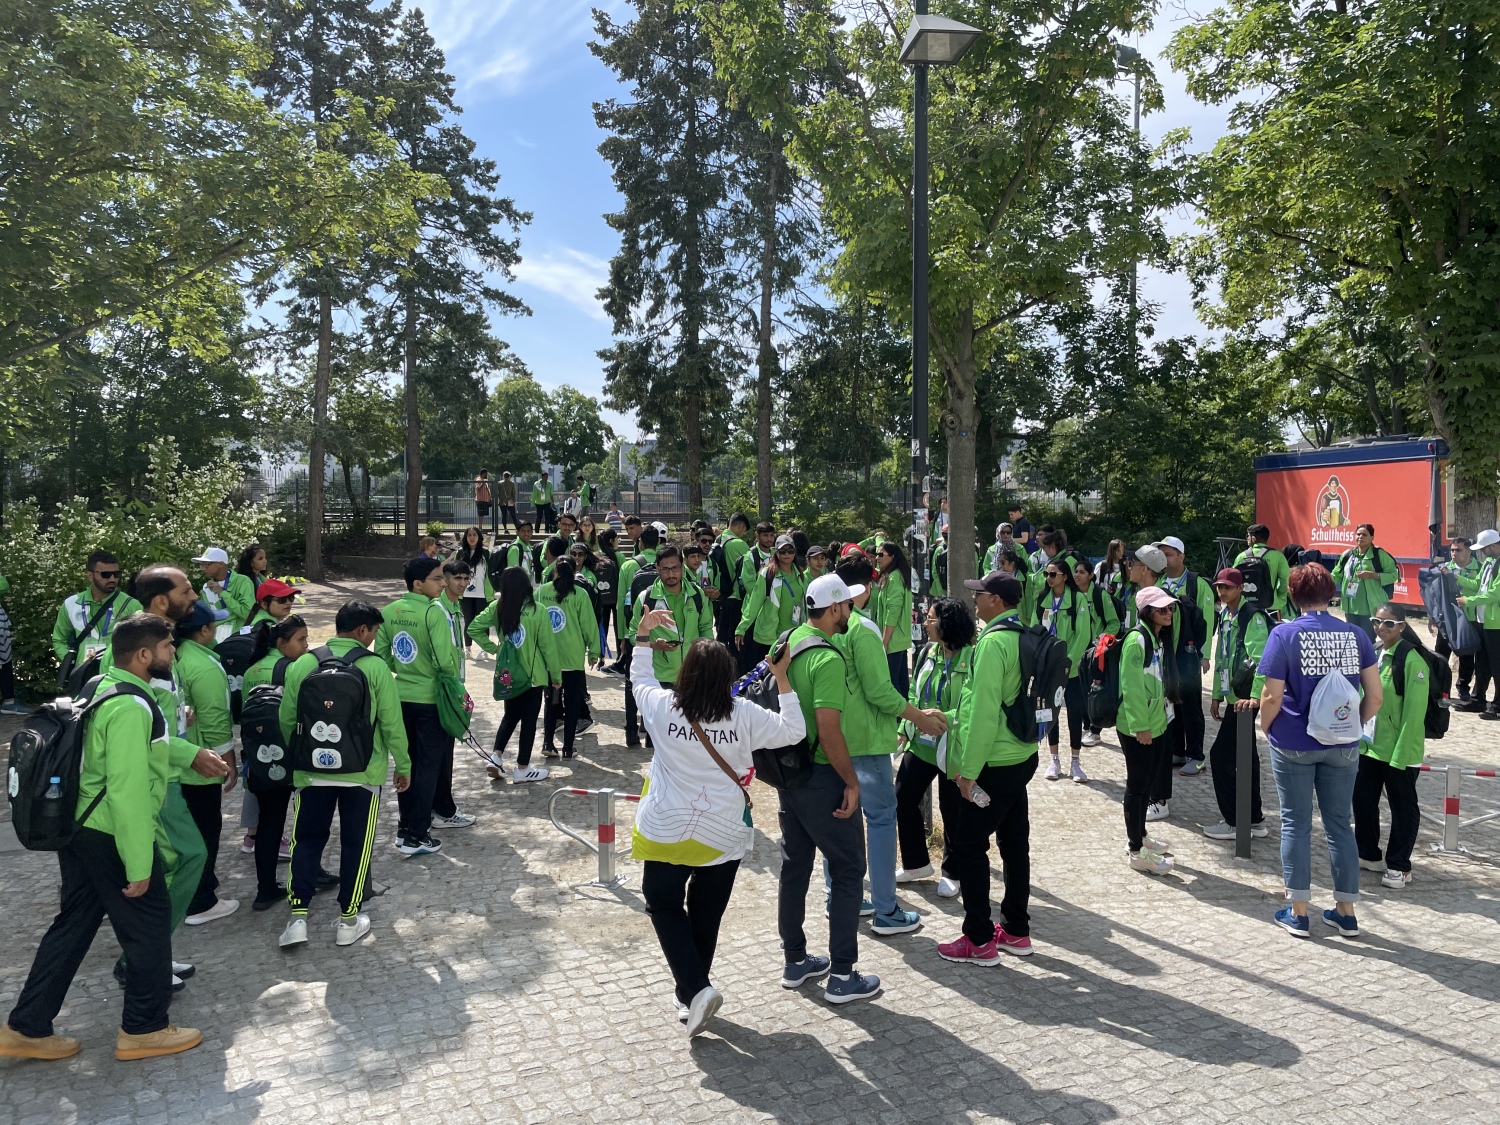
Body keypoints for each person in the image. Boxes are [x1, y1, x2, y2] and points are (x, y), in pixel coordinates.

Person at [0, 613, 203, 1063]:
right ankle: (144, 1029)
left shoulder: (101, 686)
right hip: (113, 831)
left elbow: (140, 754)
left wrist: (192, 756)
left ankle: (27, 1026)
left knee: (73, 924)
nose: (174, 654)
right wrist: (138, 866)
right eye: (169, 647)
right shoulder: (133, 707)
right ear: (145, 654)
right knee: (149, 925)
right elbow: (128, 788)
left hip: (80, 827)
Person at [630, 612, 807, 1036]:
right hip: (722, 832)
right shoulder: (744, 713)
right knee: (705, 914)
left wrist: (641, 633)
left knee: (662, 903)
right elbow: (794, 730)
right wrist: (781, 678)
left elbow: (639, 679)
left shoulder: (662, 708)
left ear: (686, 673)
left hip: (667, 828)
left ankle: (693, 989)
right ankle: (691, 993)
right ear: (728, 674)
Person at [278, 601, 412, 949]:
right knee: (356, 845)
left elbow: (286, 717)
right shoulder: (375, 668)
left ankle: (297, 919)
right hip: (362, 773)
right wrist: (404, 764)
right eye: (374, 632)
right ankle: (348, 921)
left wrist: (300, 760)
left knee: (305, 841)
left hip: (311, 772)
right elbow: (392, 723)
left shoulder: (303, 664)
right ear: (363, 630)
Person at [1258, 563, 1381, 939]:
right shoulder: (1355, 634)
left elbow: (1271, 695)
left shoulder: (1284, 634)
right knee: (1340, 824)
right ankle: (1346, 913)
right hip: (1343, 742)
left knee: (1295, 822)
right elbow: (1375, 696)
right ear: (1331, 594)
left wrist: (1266, 727)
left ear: (1292, 596)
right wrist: (1354, 727)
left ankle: (1298, 912)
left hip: (1294, 741)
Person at [778, 574, 881, 1004]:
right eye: (847, 606)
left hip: (787, 772)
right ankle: (842, 974)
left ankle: (796, 960)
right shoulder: (829, 659)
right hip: (822, 776)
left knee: (795, 865)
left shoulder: (789, 640)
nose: (849, 613)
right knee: (848, 869)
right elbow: (829, 728)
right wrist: (852, 782)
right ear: (836, 608)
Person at [829, 556, 944, 935]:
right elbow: (881, 692)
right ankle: (886, 910)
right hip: (866, 740)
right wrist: (918, 718)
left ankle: (840, 896)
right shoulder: (862, 630)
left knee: (840, 819)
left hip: (831, 738)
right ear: (865, 588)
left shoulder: (816, 626)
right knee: (879, 820)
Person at [936, 572, 1039, 964]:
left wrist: (968, 771)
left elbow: (981, 713)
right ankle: (1015, 930)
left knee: (968, 845)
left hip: (993, 761)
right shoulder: (1023, 634)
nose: (974, 600)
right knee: (1015, 843)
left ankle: (978, 939)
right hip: (1021, 755)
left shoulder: (993, 643)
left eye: (979, 594)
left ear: (995, 600)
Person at [376, 556, 462, 856]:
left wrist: (404, 674)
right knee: (427, 768)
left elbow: (383, 656)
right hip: (430, 700)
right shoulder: (433, 613)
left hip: (401, 698)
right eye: (437, 579)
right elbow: (445, 660)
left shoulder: (388, 611)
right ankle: (417, 835)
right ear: (417, 583)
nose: (443, 583)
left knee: (407, 765)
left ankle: (404, 828)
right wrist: (452, 682)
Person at [894, 597, 975, 898]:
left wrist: (944, 719)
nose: (924, 622)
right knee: (902, 797)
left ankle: (953, 871)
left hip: (952, 742)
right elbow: (914, 689)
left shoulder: (973, 657)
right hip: (922, 741)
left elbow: (971, 703)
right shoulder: (926, 651)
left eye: (930, 618)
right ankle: (916, 863)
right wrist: (907, 726)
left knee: (951, 809)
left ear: (947, 623)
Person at [1354, 604, 1429, 891]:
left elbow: (1413, 714)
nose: (1381, 627)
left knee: (1403, 809)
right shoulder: (1374, 653)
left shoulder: (1412, 661)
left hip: (1400, 751)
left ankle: (1399, 864)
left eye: (1388, 623)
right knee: (1362, 801)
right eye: (1376, 621)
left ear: (1401, 626)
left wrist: (1401, 755)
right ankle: (1369, 854)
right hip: (1370, 747)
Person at [173, 600, 239, 926]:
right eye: (213, 625)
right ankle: (200, 902)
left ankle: (198, 887)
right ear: (203, 630)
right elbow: (215, 720)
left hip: (175, 765)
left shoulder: (175, 657)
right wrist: (229, 760)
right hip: (200, 766)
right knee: (205, 833)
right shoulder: (204, 666)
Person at [468, 566, 562, 782]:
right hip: (532, 676)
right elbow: (548, 647)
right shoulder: (538, 610)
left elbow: (473, 627)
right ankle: (522, 768)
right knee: (529, 721)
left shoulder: (497, 607)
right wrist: (556, 677)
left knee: (510, 716)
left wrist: (495, 649)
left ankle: (496, 757)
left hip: (508, 675)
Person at [243, 613, 310, 909]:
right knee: (307, 818)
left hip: (258, 757)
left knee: (268, 823)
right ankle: (309, 876)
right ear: (282, 643)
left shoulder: (252, 669)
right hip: (290, 755)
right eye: (301, 640)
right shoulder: (293, 668)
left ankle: (265, 888)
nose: (306, 646)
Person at [1203, 568, 1271, 841]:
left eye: (1228, 587)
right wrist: (1218, 695)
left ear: (1241, 588)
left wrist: (1254, 698)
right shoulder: (1226, 614)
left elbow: (1261, 659)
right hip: (1234, 697)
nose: (1222, 591)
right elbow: (1223, 655)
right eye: (1219, 586)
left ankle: (1234, 821)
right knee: (1248, 757)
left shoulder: (1251, 615)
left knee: (1220, 757)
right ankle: (1254, 819)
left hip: (1244, 699)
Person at [1117, 586, 1179, 875]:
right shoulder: (1136, 640)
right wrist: (1140, 726)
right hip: (1139, 727)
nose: (1168, 613)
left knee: (1148, 782)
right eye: (1162, 609)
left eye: (1170, 608)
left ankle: (1141, 836)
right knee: (1137, 786)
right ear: (1147, 612)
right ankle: (1135, 850)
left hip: (1157, 722)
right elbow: (1130, 688)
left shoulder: (1156, 638)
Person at [1156, 536, 1216, 779]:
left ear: (1181, 556)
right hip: (1165, 654)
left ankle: (1196, 756)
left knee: (1191, 707)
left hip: (1189, 654)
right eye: (1162, 554)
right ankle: (1177, 750)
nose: (1165, 558)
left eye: (1169, 554)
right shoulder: (1158, 581)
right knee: (1171, 702)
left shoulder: (1196, 583)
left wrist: (1204, 654)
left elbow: (1208, 620)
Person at [1035, 558, 1091, 783]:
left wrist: (1067, 662)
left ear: (1064, 577)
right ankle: (1054, 759)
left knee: (1075, 713)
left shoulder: (1078, 600)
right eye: (1047, 575)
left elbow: (1083, 634)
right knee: (1050, 713)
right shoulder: (1042, 600)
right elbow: (1035, 629)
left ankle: (1076, 761)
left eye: (1053, 574)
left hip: (1072, 669)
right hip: (1049, 669)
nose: (1048, 579)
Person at [537, 558, 599, 759]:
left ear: (554, 570)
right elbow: (589, 624)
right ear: (574, 571)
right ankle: (568, 748)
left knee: (551, 701)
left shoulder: (542, 591)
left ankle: (548, 742)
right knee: (572, 703)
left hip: (548, 658)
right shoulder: (580, 594)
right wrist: (594, 651)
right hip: (572, 657)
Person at [52, 550, 143, 671]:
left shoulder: (132, 605)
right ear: (90, 576)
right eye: (106, 574)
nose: (112, 579)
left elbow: (143, 642)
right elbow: (59, 639)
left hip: (117, 674)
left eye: (116, 574)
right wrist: (71, 662)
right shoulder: (71, 604)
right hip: (83, 673)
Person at [736, 534, 806, 672]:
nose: (787, 554)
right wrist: (742, 628)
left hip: (794, 633)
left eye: (790, 551)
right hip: (770, 636)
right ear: (776, 552)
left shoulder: (800, 574)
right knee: (767, 675)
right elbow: (754, 603)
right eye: (782, 551)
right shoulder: (767, 574)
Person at [1072, 558, 1119, 749]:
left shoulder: (1100, 595)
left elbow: (1114, 622)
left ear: (1091, 575)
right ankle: (1086, 725)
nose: (1077, 575)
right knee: (1081, 690)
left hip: (1096, 651)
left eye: (1082, 572)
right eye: (1076, 571)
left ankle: (1094, 729)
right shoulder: (1071, 595)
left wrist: (1101, 640)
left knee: (1095, 690)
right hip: (1077, 650)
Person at [1455, 528, 1500, 720]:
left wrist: (1469, 601)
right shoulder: (1489, 562)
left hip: (1496, 623)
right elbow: (1477, 585)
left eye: (1484, 548)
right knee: (1482, 663)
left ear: (1493, 546)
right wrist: (1456, 577)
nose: (1481, 552)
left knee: (1497, 665)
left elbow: (1495, 593)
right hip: (1483, 620)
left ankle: (1497, 705)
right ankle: (1478, 699)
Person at [1331, 523, 1398, 640]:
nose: (1360, 537)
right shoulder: (1347, 555)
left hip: (1371, 608)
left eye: (1364, 535)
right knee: (1353, 640)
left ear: (1372, 538)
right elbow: (1336, 574)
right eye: (1358, 534)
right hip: (1350, 607)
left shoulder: (1379, 555)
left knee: (1367, 640)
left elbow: (1393, 575)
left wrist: (1373, 575)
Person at [1438, 537, 1481, 705]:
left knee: (1467, 656)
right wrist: (1433, 618)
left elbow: (1478, 587)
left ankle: (1463, 688)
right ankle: (1442, 689)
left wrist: (1456, 578)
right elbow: (1437, 594)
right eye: (1452, 550)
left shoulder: (1479, 567)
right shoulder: (1445, 568)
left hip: (1469, 618)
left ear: (1469, 551)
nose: (1454, 554)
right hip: (1447, 619)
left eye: (1458, 550)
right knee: (1441, 655)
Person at [873, 541, 914, 694]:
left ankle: (898, 716)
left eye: (880, 554)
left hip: (893, 639)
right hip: (899, 638)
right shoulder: (898, 574)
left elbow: (893, 612)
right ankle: (906, 716)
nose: (877, 558)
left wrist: (884, 641)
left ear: (892, 557)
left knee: (891, 683)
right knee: (902, 681)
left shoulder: (894, 578)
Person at [193, 547, 255, 639]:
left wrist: (223, 593)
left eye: (207, 564)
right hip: (214, 640)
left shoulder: (243, 581)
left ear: (221, 564)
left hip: (237, 638)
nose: (203, 569)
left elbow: (247, 613)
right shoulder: (206, 588)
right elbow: (207, 617)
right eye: (202, 565)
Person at [713, 513, 752, 650]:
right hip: (737, 596)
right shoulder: (739, 544)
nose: (743, 534)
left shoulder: (718, 539)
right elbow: (750, 569)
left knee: (721, 635)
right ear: (740, 526)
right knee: (735, 639)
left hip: (721, 594)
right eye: (743, 531)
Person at [1235, 524, 1290, 618]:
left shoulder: (1242, 556)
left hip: (1246, 606)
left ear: (1253, 538)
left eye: (1248, 535)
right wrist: (1280, 599)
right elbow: (1286, 580)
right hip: (1271, 605)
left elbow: (1234, 580)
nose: (1247, 538)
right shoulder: (1278, 556)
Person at [455, 526, 493, 656]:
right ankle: (468, 649)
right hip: (465, 593)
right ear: (466, 537)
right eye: (469, 535)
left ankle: (485, 649)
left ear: (479, 537)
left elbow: (490, 572)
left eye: (474, 535)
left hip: (482, 593)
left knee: (483, 622)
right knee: (468, 621)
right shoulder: (460, 553)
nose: (472, 538)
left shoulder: (485, 553)